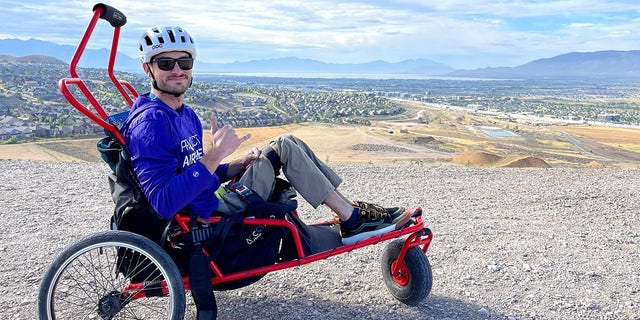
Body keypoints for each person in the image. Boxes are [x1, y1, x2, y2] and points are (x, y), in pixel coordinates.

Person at [123, 25, 409, 251]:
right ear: (148, 69)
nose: (177, 70)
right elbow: (163, 202)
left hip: (211, 199)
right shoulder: (150, 124)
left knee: (286, 143)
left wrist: (233, 166)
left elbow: (195, 174)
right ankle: (353, 220)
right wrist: (213, 157)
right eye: (165, 63)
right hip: (207, 217)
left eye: (184, 62)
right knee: (285, 147)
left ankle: (351, 213)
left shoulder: (185, 114)